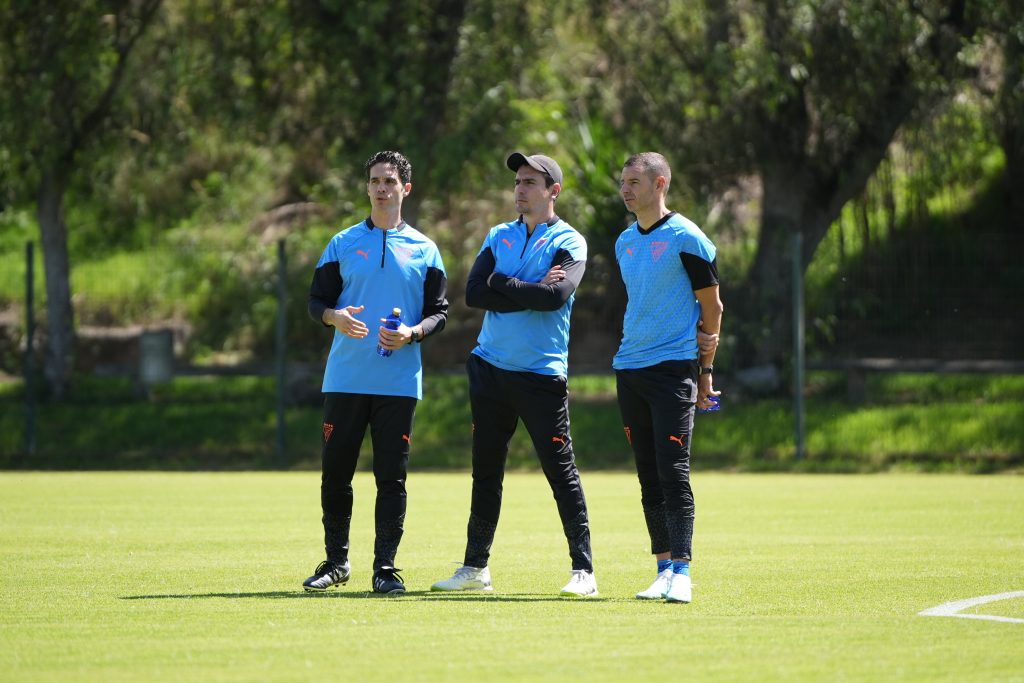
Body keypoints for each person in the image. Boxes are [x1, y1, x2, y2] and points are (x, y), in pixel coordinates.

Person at [431, 152, 598, 597]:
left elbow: (555, 297)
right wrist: (528, 286)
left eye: (530, 182)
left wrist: (503, 282)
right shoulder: (499, 234)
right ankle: (474, 569)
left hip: (540, 375)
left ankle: (584, 572)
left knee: (560, 472)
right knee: (485, 471)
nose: (520, 189)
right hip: (489, 368)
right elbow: (472, 294)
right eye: (518, 182)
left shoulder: (570, 242)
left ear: (552, 191)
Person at [303, 150, 449, 595]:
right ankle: (336, 562)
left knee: (392, 477)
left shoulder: (425, 249)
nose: (381, 188)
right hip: (345, 379)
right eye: (374, 181)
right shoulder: (342, 243)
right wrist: (335, 317)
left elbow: (439, 314)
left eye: (389, 181)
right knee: (336, 474)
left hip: (398, 383)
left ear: (406, 188)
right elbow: (315, 303)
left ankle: (385, 568)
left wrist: (411, 333)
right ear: (367, 188)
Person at [613, 152, 723, 604]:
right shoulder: (624, 242)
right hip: (629, 369)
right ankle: (662, 568)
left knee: (674, 472)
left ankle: (683, 571)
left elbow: (712, 308)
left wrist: (706, 372)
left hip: (673, 370)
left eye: (635, 181)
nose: (626, 189)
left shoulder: (687, 237)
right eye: (623, 181)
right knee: (648, 476)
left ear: (660, 184)